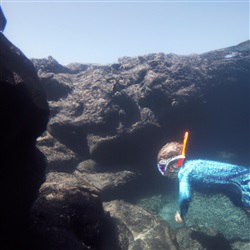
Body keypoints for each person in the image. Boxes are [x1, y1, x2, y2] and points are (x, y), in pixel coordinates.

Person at [157, 131, 250, 222]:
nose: (167, 173)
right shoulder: (194, 163)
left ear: (175, 164)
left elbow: (185, 197)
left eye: (167, 168)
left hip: (245, 183)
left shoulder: (184, 173)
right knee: (240, 203)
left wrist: (181, 213)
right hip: (243, 179)